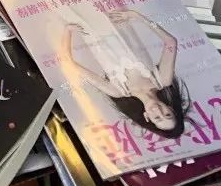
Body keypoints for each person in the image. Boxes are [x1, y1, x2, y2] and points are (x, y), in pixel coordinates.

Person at [60, 11, 187, 139]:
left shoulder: (117, 91)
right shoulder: (163, 80)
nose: (158, 110)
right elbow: (171, 42)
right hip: (116, 16)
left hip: (88, 26)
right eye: (167, 114)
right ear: (171, 109)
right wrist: (137, 16)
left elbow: (68, 63)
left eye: (157, 118)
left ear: (147, 117)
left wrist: (67, 31)